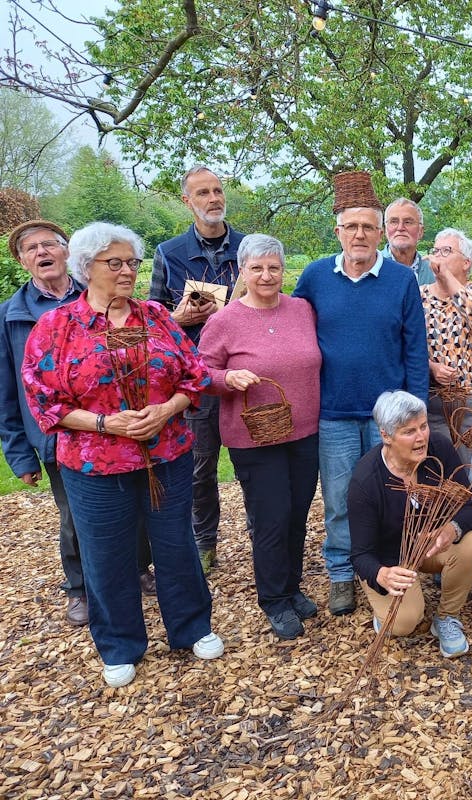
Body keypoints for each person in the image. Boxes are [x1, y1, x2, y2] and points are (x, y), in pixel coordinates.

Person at [21, 222, 222, 688]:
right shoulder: (58, 327)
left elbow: (194, 375)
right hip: (95, 465)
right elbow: (43, 399)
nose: (128, 271)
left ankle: (192, 628)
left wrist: (166, 409)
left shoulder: (155, 317)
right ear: (86, 267)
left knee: (176, 545)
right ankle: (119, 645)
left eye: (132, 262)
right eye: (115, 263)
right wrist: (104, 423)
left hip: (166, 455)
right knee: (106, 555)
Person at [1, 220, 157, 629]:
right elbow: (7, 390)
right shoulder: (13, 315)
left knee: (136, 504)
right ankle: (79, 588)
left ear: (69, 252)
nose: (42, 252)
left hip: (127, 428)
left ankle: (138, 568)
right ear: (22, 260)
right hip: (62, 435)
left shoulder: (100, 293)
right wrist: (20, 454)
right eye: (31, 248)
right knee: (76, 516)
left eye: (49, 244)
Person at [293, 170, 429, 617]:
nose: (359, 235)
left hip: (386, 416)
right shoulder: (315, 277)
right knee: (338, 498)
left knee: (393, 490)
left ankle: (389, 566)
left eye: (368, 227)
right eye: (351, 226)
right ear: (338, 232)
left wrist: (415, 411)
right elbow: (292, 329)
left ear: (380, 233)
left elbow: (415, 349)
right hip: (333, 411)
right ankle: (340, 572)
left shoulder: (400, 280)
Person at [198, 234, 322, 640]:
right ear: (242, 271)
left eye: (274, 267)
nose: (266, 275)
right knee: (272, 518)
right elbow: (199, 372)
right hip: (254, 437)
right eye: (257, 268)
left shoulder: (301, 309)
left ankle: (292, 586)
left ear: (284, 270)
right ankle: (274, 599)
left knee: (298, 515)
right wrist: (227, 378)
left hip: (304, 431)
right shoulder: (225, 320)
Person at [150, 165, 246, 575]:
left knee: (254, 464)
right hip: (195, 379)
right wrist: (179, 317)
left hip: (243, 373)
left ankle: (263, 538)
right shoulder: (168, 253)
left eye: (218, 190)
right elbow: (152, 322)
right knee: (200, 469)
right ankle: (205, 543)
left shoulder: (247, 247)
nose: (213, 199)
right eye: (203, 193)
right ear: (187, 201)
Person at [348, 391, 472, 657]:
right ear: (386, 436)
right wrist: (382, 574)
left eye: (423, 426)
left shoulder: (438, 449)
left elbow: (471, 505)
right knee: (404, 623)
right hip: (391, 560)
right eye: (409, 431)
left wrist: (450, 529)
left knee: (469, 545)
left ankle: (447, 617)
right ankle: (386, 611)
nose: (421, 437)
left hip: (430, 547)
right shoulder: (366, 481)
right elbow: (361, 555)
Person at [421, 227, 472, 451]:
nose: (438, 256)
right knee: (440, 465)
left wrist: (447, 277)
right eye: (436, 251)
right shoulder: (420, 295)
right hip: (434, 401)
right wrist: (432, 367)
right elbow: (407, 344)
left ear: (466, 262)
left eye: (446, 251)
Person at [381, 198, 434, 285]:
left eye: (408, 222)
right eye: (394, 222)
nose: (400, 228)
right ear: (385, 230)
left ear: (420, 231)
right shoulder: (370, 266)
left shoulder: (434, 272)